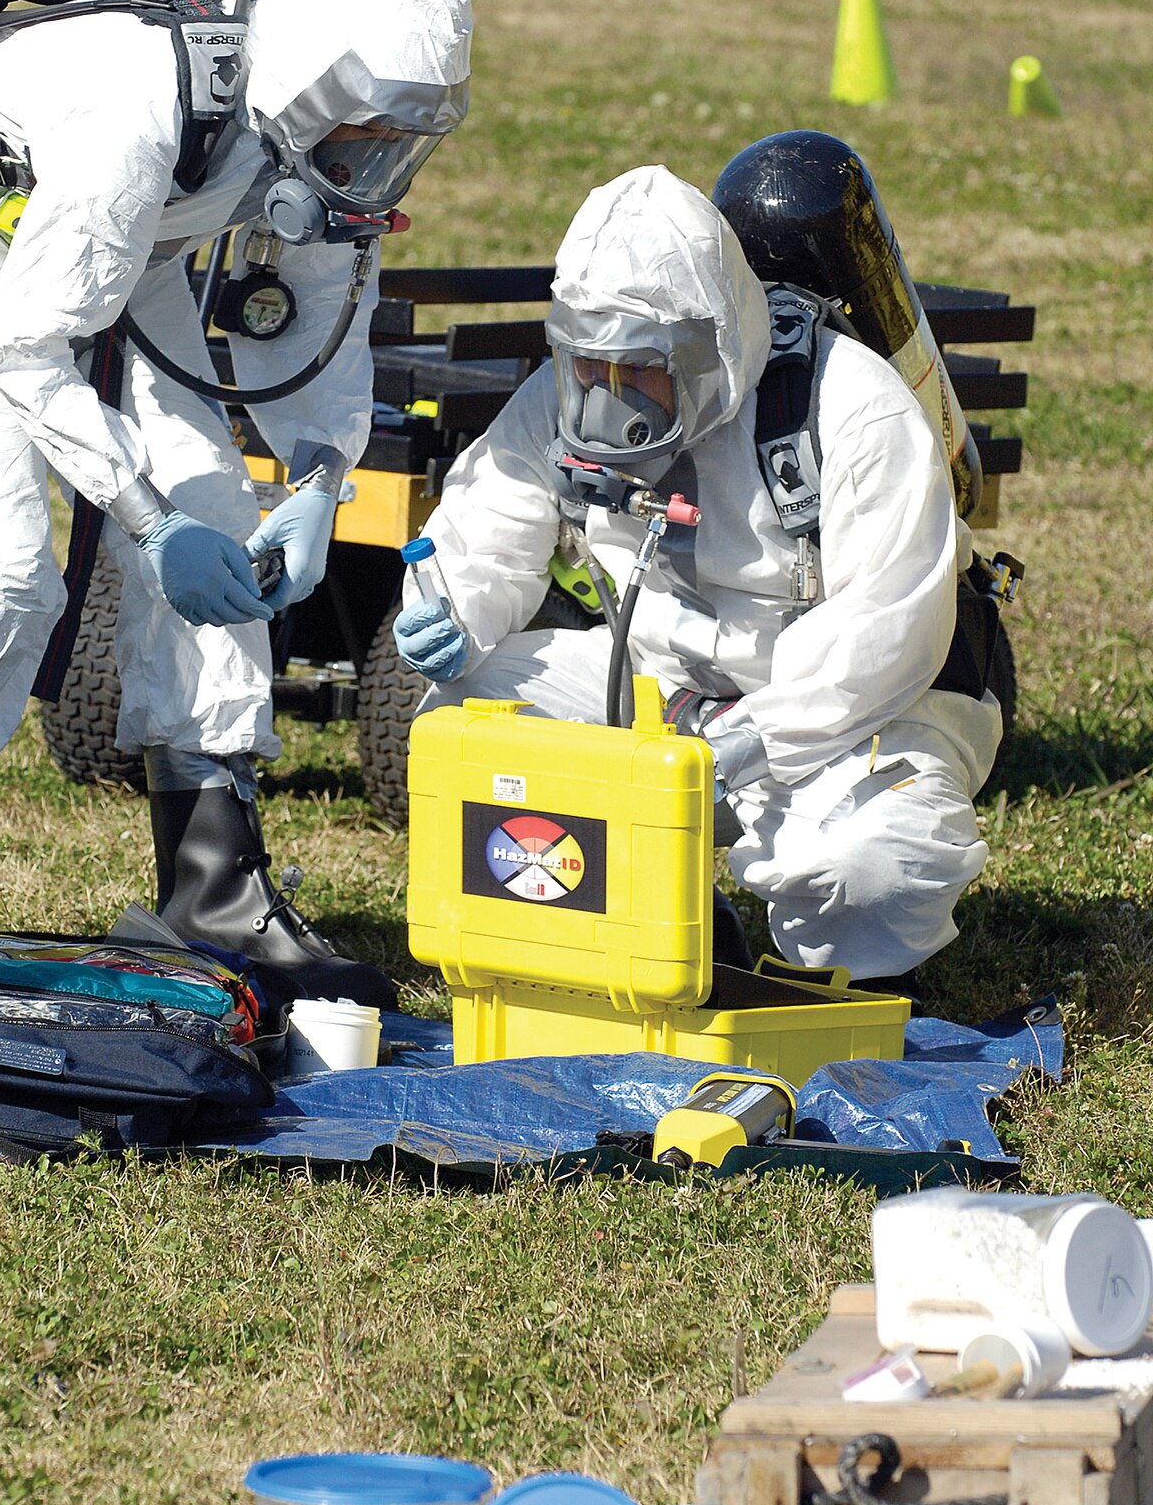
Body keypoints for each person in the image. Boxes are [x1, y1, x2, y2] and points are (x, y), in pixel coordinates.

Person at [0, 0, 472, 1007]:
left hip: (123, 240)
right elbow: (33, 351)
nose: (379, 160)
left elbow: (307, 325)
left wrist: (314, 481)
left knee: (223, 505)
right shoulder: (140, 108)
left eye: (407, 139)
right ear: (313, 90)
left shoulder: (318, 131)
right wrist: (148, 526)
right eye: (370, 131)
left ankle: (212, 890)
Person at [393, 166, 1002, 997]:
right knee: (465, 717)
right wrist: (450, 611)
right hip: (658, 691)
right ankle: (630, 915)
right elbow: (485, 519)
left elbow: (887, 632)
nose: (608, 399)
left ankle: (835, 988)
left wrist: (751, 741)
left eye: (638, 370)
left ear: (710, 346)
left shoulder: (852, 407)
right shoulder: (565, 393)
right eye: (589, 364)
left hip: (838, 720)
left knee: (876, 867)